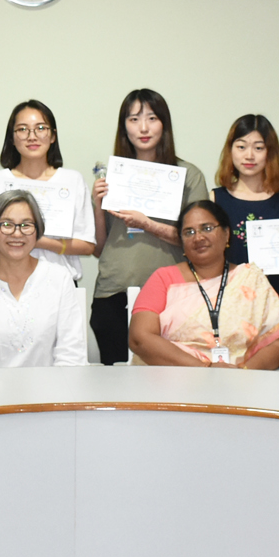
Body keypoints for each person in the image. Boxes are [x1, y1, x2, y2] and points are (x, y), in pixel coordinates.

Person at [89, 90, 208, 365]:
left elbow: (199, 241)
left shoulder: (188, 175)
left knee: (170, 379)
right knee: (115, 379)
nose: (143, 128)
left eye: (152, 118)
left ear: (164, 124)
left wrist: (147, 224)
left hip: (172, 295)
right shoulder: (112, 176)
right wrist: (97, 205)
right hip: (113, 291)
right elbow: (98, 249)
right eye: (134, 119)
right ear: (124, 127)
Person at [129, 201, 279, 369]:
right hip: (175, 377)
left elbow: (275, 344)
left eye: (207, 228)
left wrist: (241, 374)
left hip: (242, 379)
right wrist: (205, 369)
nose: (198, 237)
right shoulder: (163, 278)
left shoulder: (251, 279)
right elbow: (139, 338)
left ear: (226, 233)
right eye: (189, 232)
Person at [214, 114, 279, 369]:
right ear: (230, 151)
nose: (249, 155)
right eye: (241, 146)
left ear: (271, 153)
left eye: (258, 148)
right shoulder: (215, 200)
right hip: (226, 304)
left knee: (277, 378)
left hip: (274, 304)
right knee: (229, 375)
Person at [0, 189, 88, 368]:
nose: (17, 234)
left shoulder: (59, 279)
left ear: (37, 231)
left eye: (26, 225)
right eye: (6, 224)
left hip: (51, 385)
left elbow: (72, 354)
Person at [0, 100, 96, 283]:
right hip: (7, 283)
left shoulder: (72, 180)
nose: (32, 136)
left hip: (60, 283)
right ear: (12, 138)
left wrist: (39, 241)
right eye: (22, 129)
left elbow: (87, 245)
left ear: (53, 136)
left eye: (41, 128)